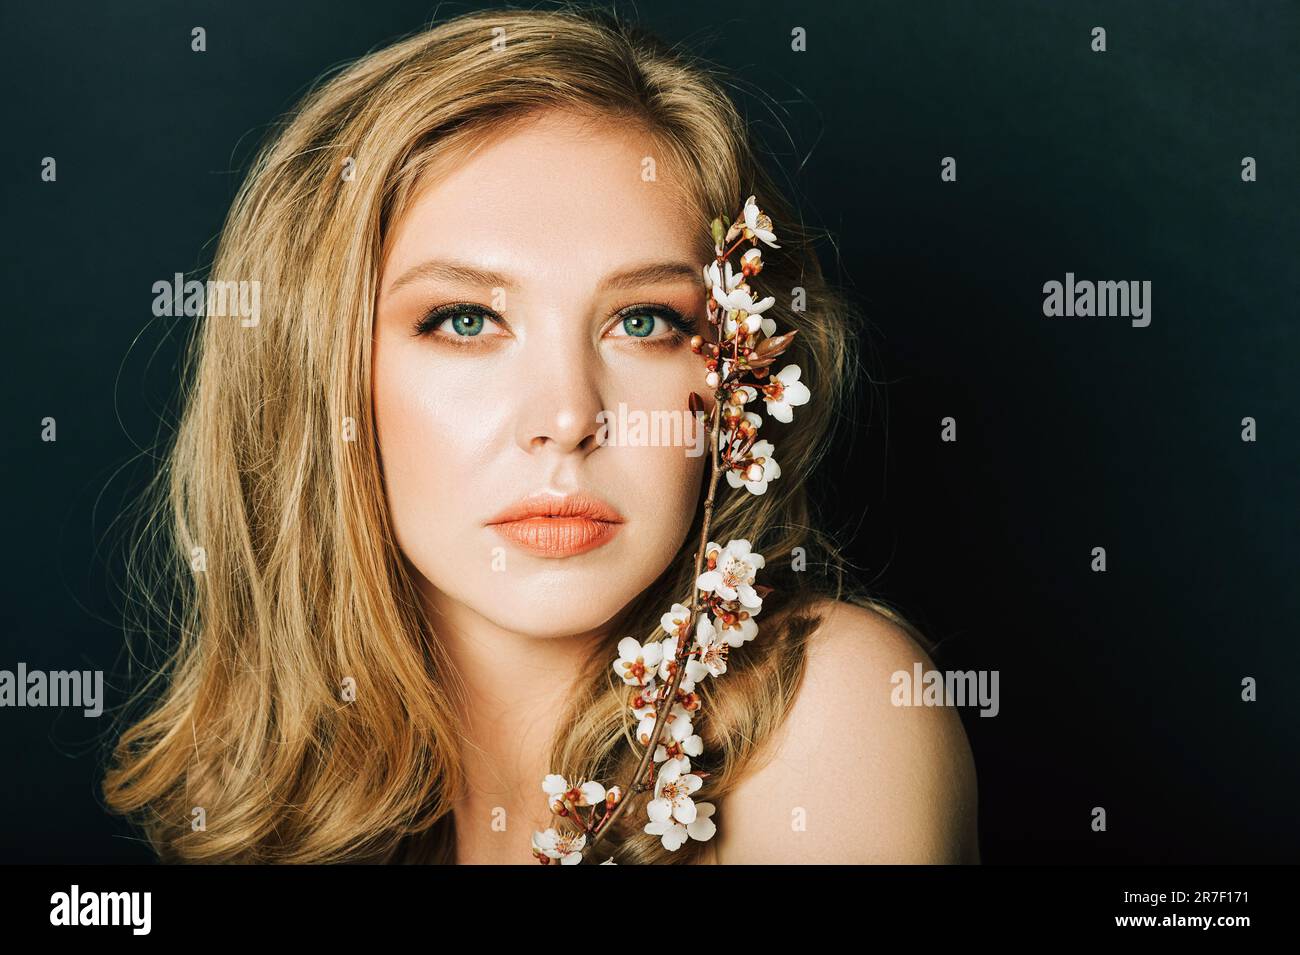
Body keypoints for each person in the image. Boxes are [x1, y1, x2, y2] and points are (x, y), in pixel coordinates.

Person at [102, 5, 978, 865]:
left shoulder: (829, 718)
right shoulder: (278, 787)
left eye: (643, 321)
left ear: (733, 381)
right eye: (465, 319)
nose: (567, 417)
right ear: (314, 372)